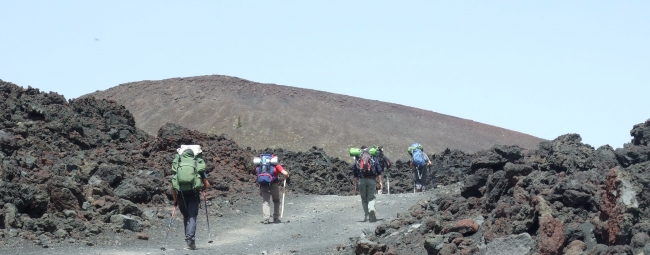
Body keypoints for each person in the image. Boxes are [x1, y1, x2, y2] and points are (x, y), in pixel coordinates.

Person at [170, 146, 211, 250]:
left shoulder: (178, 164)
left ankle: (188, 239)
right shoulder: (196, 164)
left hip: (180, 195)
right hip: (193, 194)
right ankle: (190, 241)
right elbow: (207, 184)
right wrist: (203, 188)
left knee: (186, 216)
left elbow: (173, 185)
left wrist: (175, 200)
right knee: (192, 217)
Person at [256, 153, 290, 224]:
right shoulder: (276, 165)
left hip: (263, 185)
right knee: (276, 201)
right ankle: (276, 218)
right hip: (273, 184)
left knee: (266, 202)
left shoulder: (260, 165)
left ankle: (266, 219)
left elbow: (257, 173)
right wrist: (287, 176)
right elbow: (285, 173)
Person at [352, 146, 383, 222]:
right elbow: (379, 171)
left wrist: (355, 187)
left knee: (364, 199)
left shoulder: (358, 159)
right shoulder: (373, 158)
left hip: (361, 181)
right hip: (372, 180)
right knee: (371, 197)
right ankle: (371, 209)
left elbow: (355, 174)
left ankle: (366, 216)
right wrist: (380, 182)